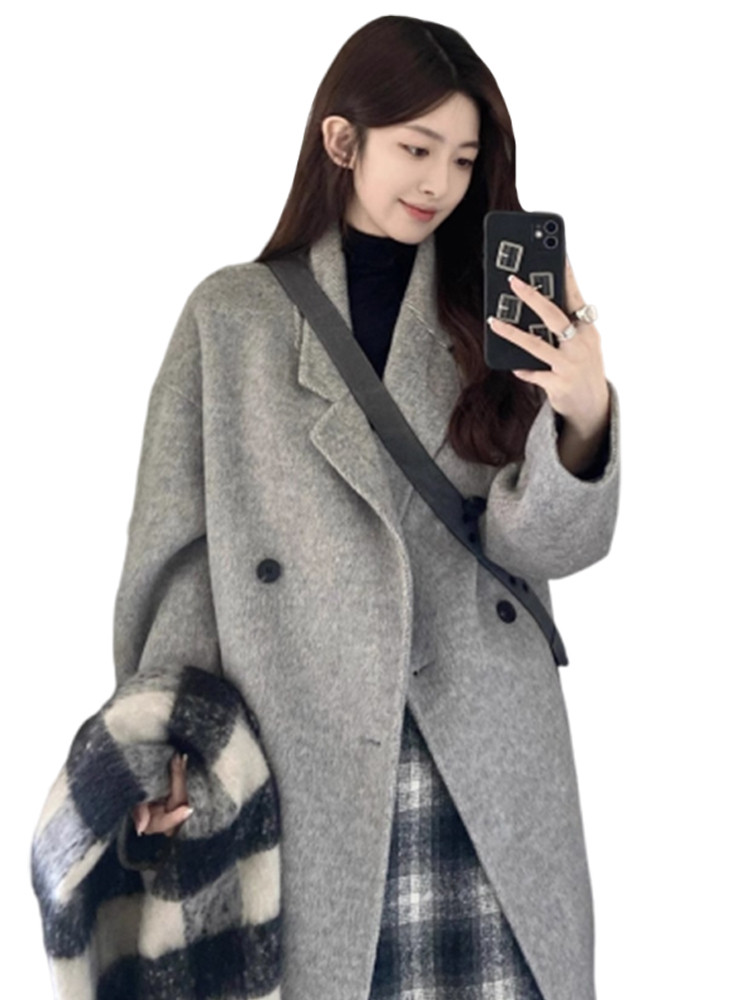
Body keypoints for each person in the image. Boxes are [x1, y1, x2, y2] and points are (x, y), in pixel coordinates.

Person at [121, 14, 618, 1000]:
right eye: (416, 149)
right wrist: (167, 745)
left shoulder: (488, 310)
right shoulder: (231, 317)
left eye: (464, 159)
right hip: (309, 751)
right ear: (342, 140)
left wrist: (583, 413)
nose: (440, 183)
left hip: (486, 751)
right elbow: (181, 560)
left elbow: (538, 545)